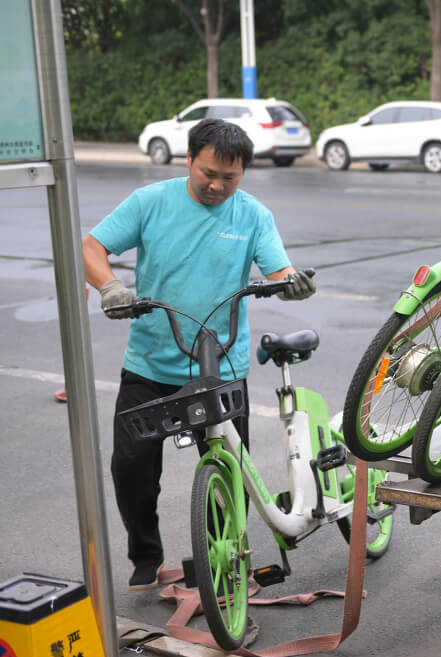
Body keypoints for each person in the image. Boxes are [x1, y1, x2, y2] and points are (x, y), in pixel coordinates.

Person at [82, 118, 316, 591]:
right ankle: (146, 556)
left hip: (222, 367)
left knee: (231, 475)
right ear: (189, 159)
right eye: (208, 173)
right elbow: (92, 245)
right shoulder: (152, 202)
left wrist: (293, 285)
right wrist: (109, 286)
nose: (216, 185)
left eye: (229, 178)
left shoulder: (252, 215)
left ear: (243, 173)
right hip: (150, 365)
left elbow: (279, 270)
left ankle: (223, 560)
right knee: (131, 471)